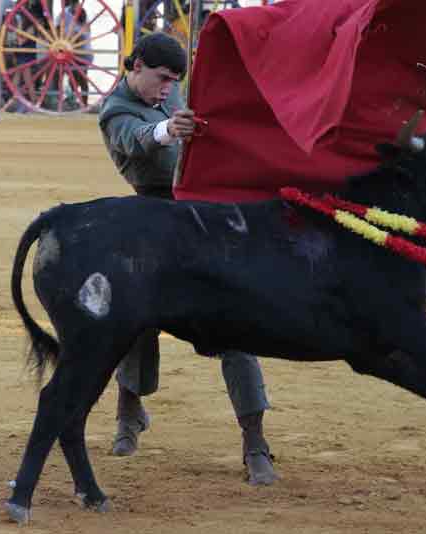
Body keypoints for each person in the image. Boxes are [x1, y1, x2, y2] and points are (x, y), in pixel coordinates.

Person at [97, 32, 278, 486]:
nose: (167, 90)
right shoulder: (114, 110)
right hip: (153, 220)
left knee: (233, 322)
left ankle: (255, 441)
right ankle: (129, 411)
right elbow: (137, 139)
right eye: (161, 80)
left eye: (173, 81)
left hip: (202, 217)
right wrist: (167, 129)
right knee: (134, 320)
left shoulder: (171, 85)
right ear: (136, 65)